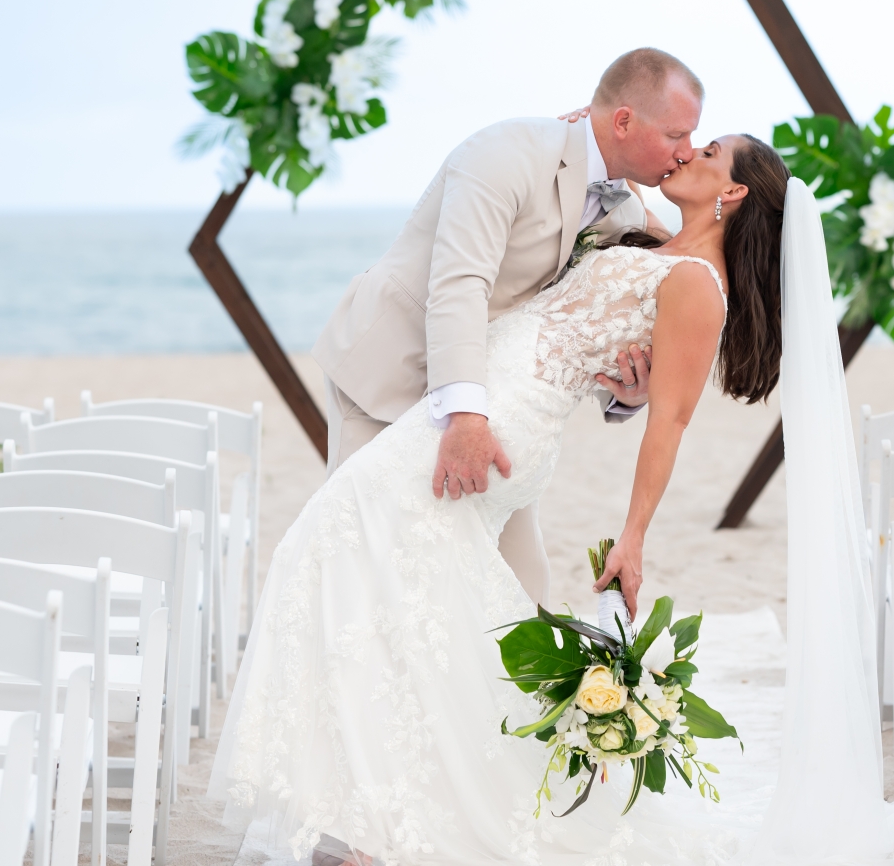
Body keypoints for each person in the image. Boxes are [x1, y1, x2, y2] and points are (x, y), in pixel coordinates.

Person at [210, 101, 793, 863]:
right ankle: (368, 817)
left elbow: (671, 422)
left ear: (735, 193)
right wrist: (576, 134)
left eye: (708, 150)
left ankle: (365, 819)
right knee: (403, 593)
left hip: (501, 427)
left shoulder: (698, 285)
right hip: (469, 407)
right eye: (682, 138)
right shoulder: (648, 231)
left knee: (340, 544)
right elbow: (583, 218)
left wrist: (636, 534)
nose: (686, 151)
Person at [307, 47, 700, 607]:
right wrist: (466, 415)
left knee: (521, 581)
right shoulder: (505, 153)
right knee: (361, 558)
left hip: (495, 398)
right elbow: (460, 282)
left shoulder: (624, 210)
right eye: (677, 136)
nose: (685, 153)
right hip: (389, 373)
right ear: (623, 121)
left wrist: (630, 393)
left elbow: (601, 309)